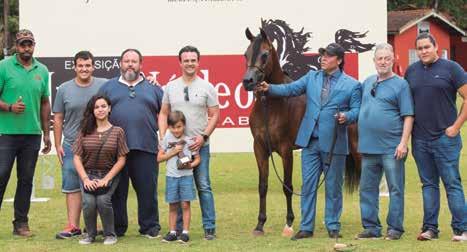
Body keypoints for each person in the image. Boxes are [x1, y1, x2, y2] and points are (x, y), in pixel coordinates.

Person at [256, 43, 361, 240]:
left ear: (338, 60)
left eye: (328, 56)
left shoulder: (352, 85)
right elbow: (290, 89)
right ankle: (306, 227)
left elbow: (357, 110)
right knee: (308, 186)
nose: (323, 59)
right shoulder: (311, 77)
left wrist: (346, 116)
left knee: (333, 187)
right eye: (322, 55)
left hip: (334, 144)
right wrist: (269, 88)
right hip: (310, 142)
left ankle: (333, 225)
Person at [404, 33, 467, 242]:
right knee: (428, 185)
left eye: (426, 47)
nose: (423, 51)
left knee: (452, 184)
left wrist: (456, 127)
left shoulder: (452, 68)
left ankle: (462, 229)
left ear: (436, 47)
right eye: (419, 48)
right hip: (420, 140)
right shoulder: (411, 72)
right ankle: (430, 229)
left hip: (445, 139)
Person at [99, 48, 163, 238]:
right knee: (117, 192)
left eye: (134, 61)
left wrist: (164, 140)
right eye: (126, 61)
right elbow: (98, 114)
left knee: (147, 190)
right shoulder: (107, 88)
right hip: (115, 150)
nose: (130, 64)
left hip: (146, 147)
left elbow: (166, 114)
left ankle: (150, 227)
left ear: (140, 64)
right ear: (120, 64)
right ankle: (117, 228)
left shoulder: (154, 88)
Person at [158, 45, 220, 240]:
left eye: (193, 60)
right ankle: (176, 230)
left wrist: (203, 137)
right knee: (177, 187)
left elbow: (215, 114)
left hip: (199, 146)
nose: (190, 63)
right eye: (186, 60)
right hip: (177, 149)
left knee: (203, 186)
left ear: (198, 62)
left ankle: (209, 228)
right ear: (180, 62)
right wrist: (163, 138)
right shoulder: (171, 86)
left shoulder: (207, 87)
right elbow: (164, 113)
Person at [356, 43, 414, 240]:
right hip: (368, 148)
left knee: (395, 189)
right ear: (374, 61)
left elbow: (408, 116)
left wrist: (403, 143)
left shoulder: (401, 84)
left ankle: (395, 229)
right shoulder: (367, 82)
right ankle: (371, 228)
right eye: (379, 58)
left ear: (393, 60)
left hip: (392, 148)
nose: (383, 62)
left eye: (386, 58)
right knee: (367, 190)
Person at [0, 29, 51, 237]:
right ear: (16, 46)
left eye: (29, 44)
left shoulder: (43, 70)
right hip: (6, 133)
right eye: (22, 44)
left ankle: (21, 224)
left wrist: (47, 134)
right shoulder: (3, 67)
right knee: (1, 176)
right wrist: (10, 107)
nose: (26, 48)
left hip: (32, 134)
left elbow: (45, 102)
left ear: (34, 45)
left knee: (26, 179)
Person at [53, 50, 108, 239]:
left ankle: (97, 225)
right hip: (70, 144)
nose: (84, 69)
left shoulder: (104, 85)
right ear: (74, 67)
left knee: (98, 183)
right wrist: (57, 143)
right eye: (80, 66)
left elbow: (126, 84)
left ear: (93, 66)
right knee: (72, 186)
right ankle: (73, 226)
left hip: (96, 144)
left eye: (88, 65)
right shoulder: (64, 89)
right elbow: (58, 118)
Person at [73, 95, 129, 245]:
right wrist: (85, 179)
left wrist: (106, 179)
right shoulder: (84, 131)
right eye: (97, 107)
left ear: (109, 108)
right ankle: (90, 235)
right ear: (92, 111)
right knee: (89, 202)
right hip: (88, 173)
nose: (100, 110)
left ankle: (110, 234)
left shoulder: (118, 131)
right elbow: (77, 157)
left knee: (103, 200)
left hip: (109, 174)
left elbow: (122, 159)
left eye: (103, 106)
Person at [158, 111, 200, 243]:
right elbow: (159, 158)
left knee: (185, 205)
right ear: (169, 127)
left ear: (184, 126)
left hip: (186, 177)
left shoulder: (190, 140)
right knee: (173, 206)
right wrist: (172, 152)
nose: (176, 130)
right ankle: (172, 232)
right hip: (171, 177)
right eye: (173, 127)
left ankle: (185, 232)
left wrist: (191, 165)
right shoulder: (166, 139)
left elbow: (198, 158)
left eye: (179, 127)